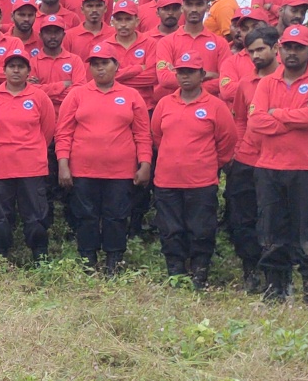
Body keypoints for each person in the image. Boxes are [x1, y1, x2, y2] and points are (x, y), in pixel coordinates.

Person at [249, 22, 308, 303]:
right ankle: (276, 289)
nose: (292, 52)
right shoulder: (266, 82)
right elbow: (256, 121)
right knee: (271, 232)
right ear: (279, 49)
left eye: (298, 47)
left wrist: (277, 114)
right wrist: (295, 117)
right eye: (287, 47)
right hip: (269, 168)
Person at [56, 46, 151, 275]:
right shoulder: (77, 94)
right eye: (95, 64)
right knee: (85, 216)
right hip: (83, 170)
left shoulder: (131, 95)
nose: (100, 68)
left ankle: (113, 262)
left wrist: (145, 164)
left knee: (116, 217)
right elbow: (63, 132)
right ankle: (88, 261)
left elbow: (142, 134)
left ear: (116, 66)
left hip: (120, 172)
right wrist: (63, 164)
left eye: (105, 63)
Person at [150, 52, 238, 288]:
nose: (185, 76)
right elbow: (157, 136)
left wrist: (209, 164)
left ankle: (200, 273)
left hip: (201, 182)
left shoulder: (216, 106)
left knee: (201, 229)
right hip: (167, 180)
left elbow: (227, 140)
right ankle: (176, 272)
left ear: (202, 75)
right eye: (180, 72)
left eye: (190, 72)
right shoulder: (164, 104)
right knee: (170, 229)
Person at [0, 47, 56, 263]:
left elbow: (48, 130)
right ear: (4, 70)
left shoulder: (39, 97)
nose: (16, 70)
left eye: (20, 67)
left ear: (28, 71)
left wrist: (32, 149)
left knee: (36, 216)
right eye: (11, 66)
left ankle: (40, 257)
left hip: (31, 166)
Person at [225, 25, 282, 292]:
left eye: (261, 49)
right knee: (242, 217)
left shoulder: (286, 81)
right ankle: (250, 269)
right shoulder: (245, 84)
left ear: (275, 48)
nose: (256, 55)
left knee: (273, 217)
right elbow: (240, 120)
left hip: (277, 160)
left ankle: (275, 273)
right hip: (246, 159)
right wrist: (237, 151)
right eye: (251, 51)